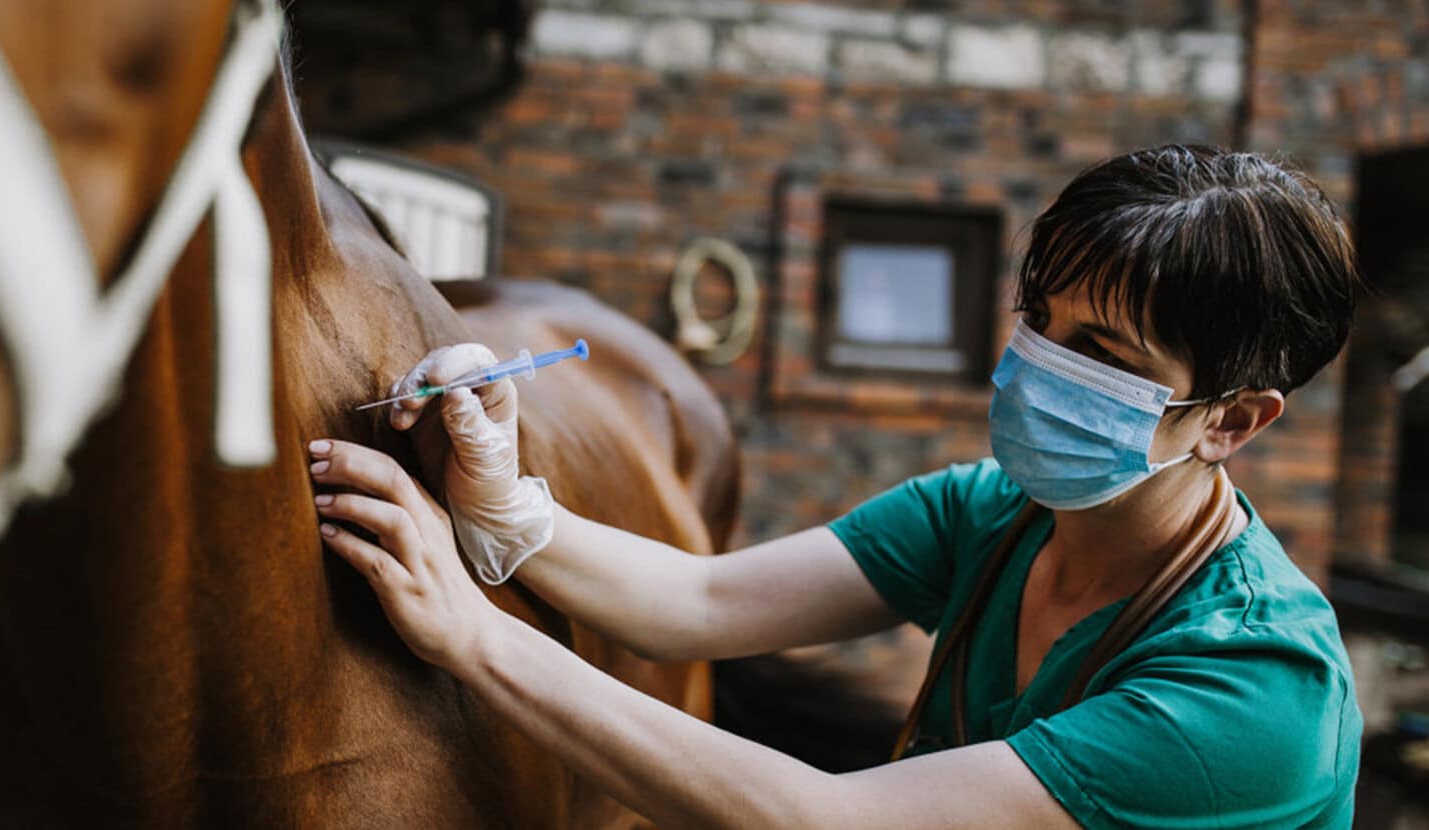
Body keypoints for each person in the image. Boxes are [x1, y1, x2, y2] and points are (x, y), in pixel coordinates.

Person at [306, 144, 1364, 828]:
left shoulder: (1250, 695)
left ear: (1229, 418)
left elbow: (825, 819)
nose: (1040, 363)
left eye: (1102, 351)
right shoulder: (993, 513)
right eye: (1039, 320)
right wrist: (506, 505)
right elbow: (702, 602)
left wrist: (476, 633)